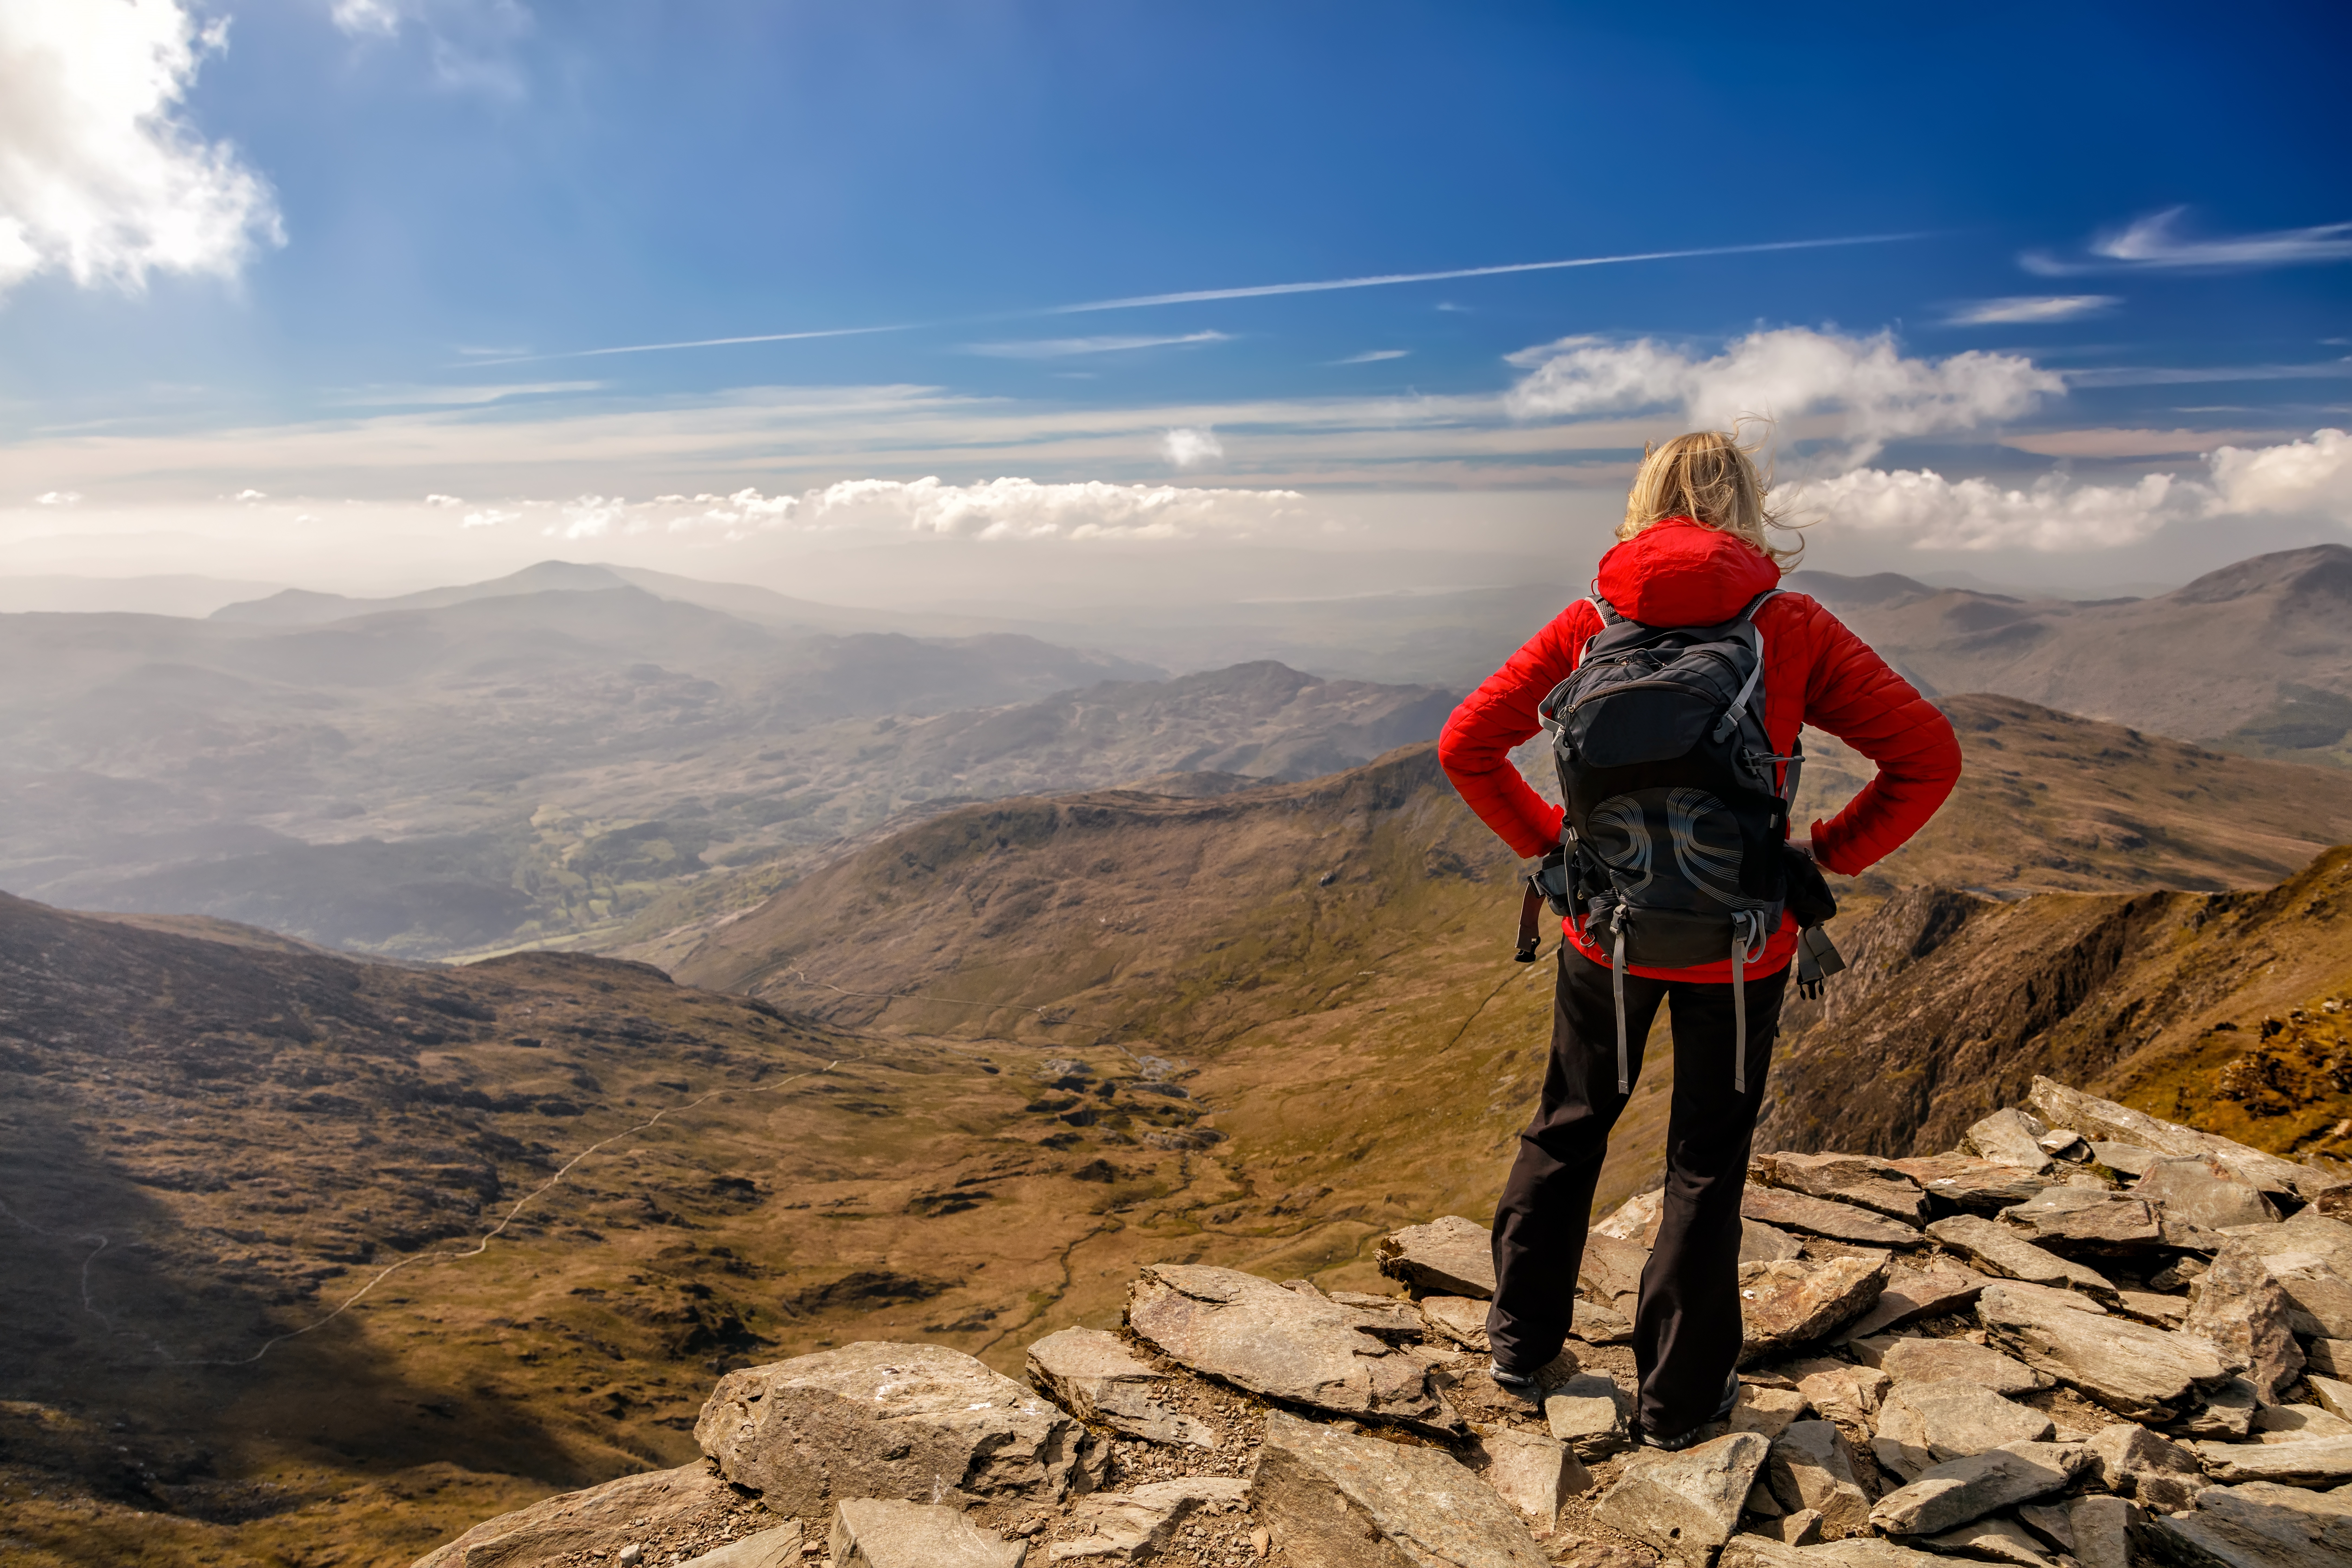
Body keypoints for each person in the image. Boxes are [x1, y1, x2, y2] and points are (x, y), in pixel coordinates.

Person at [1436, 429, 1961, 1449]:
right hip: (1742, 946)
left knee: (1569, 1122)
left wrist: (1562, 854)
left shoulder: (1593, 623)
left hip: (1608, 937)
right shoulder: (1790, 625)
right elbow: (1927, 757)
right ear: (1749, 509)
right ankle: (1680, 1402)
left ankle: (1520, 1342)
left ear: (1641, 505)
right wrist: (1822, 857)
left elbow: (1468, 743)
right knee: (1706, 1162)